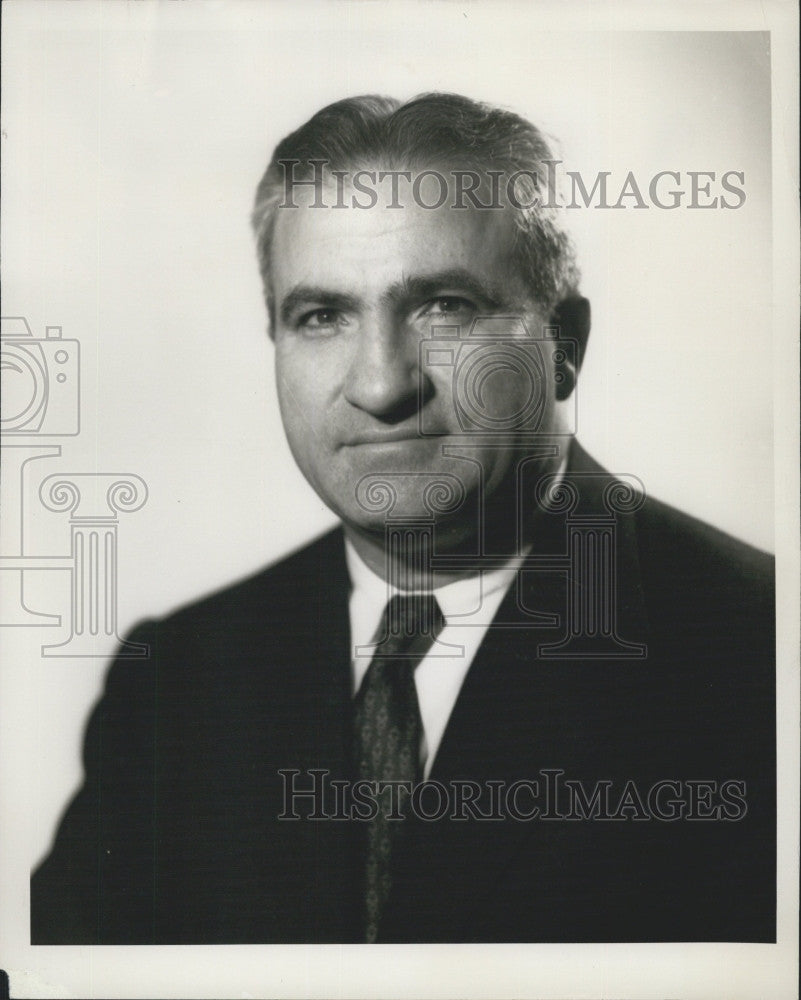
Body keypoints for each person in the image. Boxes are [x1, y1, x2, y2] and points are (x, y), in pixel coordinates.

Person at [31, 93, 775, 945]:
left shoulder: (756, 655)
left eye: (444, 306)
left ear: (564, 345)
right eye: (321, 316)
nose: (381, 386)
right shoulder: (174, 684)